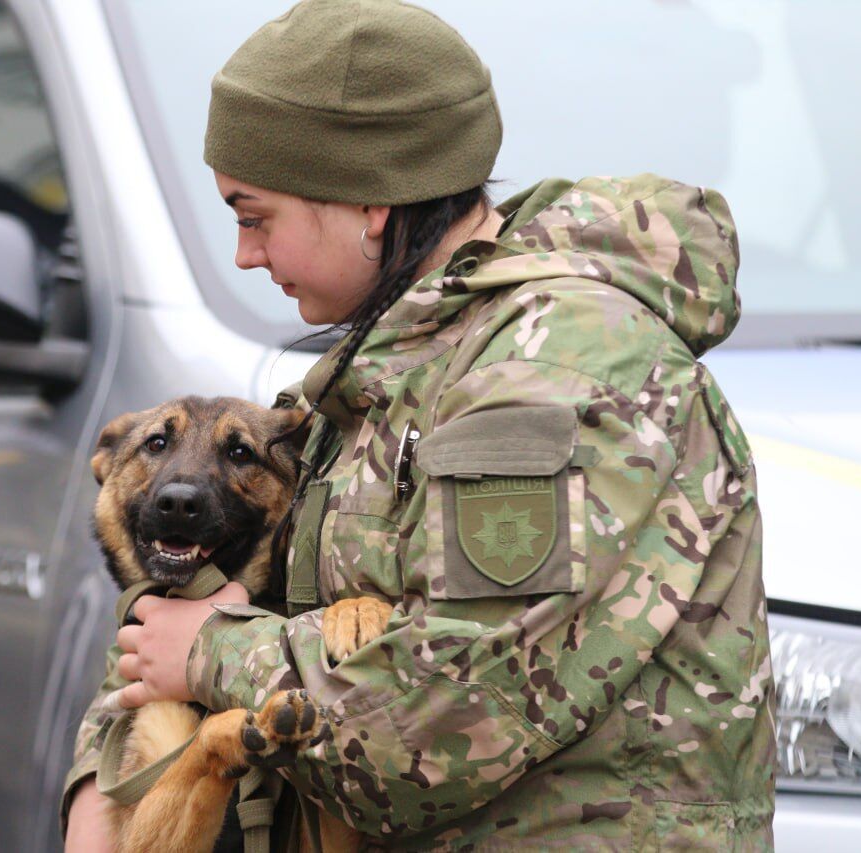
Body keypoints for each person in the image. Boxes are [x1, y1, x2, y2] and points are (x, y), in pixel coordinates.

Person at [62, 0, 776, 849]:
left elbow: (449, 718)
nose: (245, 254)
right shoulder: (390, 371)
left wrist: (213, 653)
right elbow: (219, 601)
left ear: (368, 201)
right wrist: (103, 784)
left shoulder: (556, 374)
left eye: (256, 217)